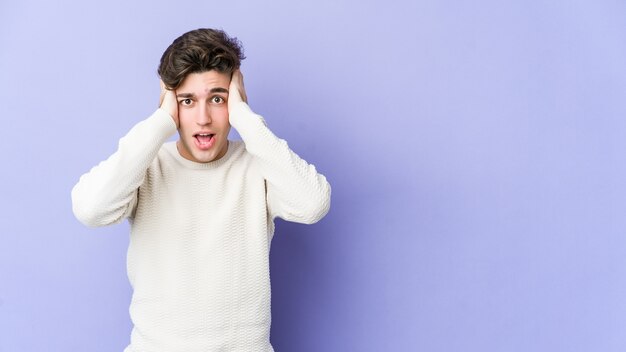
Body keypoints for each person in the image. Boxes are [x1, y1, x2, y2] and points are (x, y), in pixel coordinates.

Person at [71, 28, 331, 352]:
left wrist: (246, 119)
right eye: (187, 101)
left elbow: (313, 203)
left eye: (218, 99)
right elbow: (90, 208)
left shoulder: (259, 165)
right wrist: (160, 121)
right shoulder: (146, 166)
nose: (204, 118)